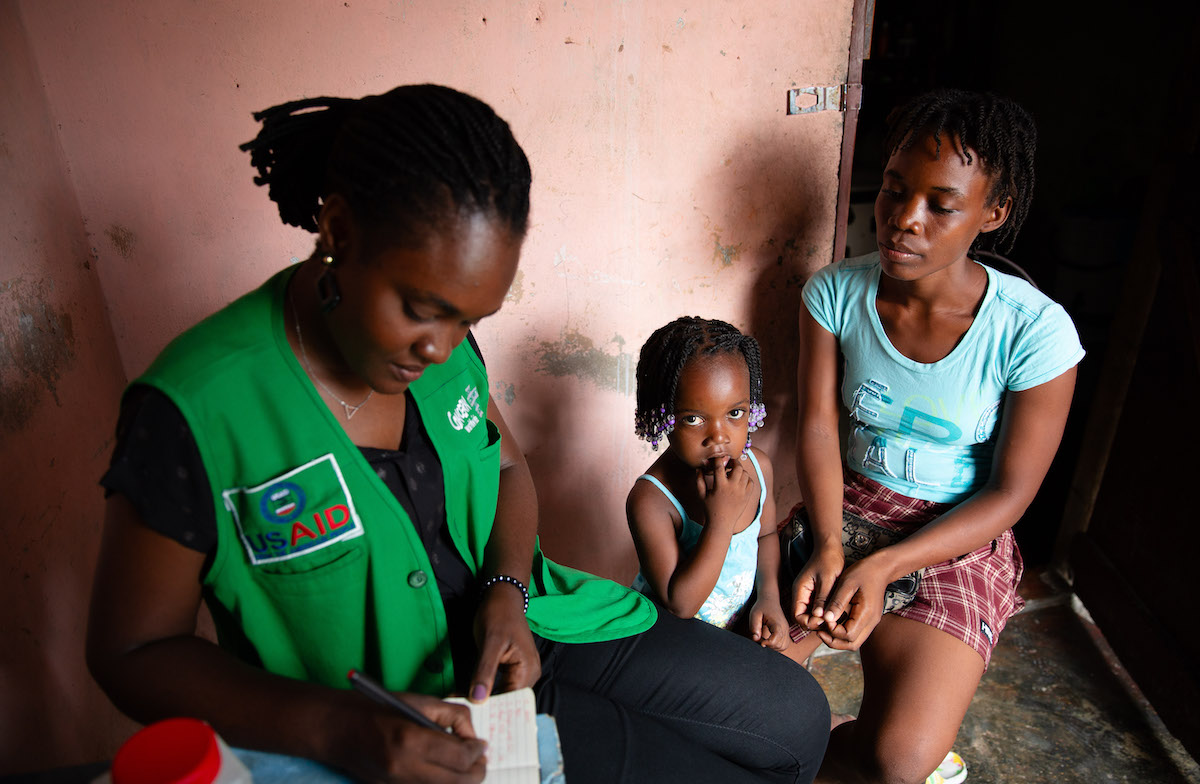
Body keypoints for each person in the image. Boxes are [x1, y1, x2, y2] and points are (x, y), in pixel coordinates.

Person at [86, 83, 830, 784]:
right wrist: (339, 729)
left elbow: (507, 471)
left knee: (797, 722)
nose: (442, 350)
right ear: (338, 230)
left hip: (530, 630)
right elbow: (133, 651)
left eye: (470, 321)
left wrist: (506, 588)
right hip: (401, 719)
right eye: (421, 311)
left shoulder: (444, 350)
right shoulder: (192, 411)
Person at [788, 89, 1083, 784]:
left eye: (940, 206)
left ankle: (905, 750)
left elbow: (1010, 495)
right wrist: (830, 543)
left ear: (994, 212)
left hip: (957, 534)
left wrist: (886, 566)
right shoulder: (834, 294)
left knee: (898, 762)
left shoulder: (1035, 333)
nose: (903, 220)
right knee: (750, 710)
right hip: (847, 504)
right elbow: (819, 427)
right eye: (893, 190)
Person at [626, 317, 791, 653]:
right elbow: (679, 605)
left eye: (735, 413)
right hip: (669, 643)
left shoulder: (759, 467)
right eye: (693, 418)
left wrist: (769, 598)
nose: (718, 436)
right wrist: (720, 520)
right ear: (662, 416)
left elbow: (767, 534)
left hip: (732, 633)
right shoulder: (651, 500)